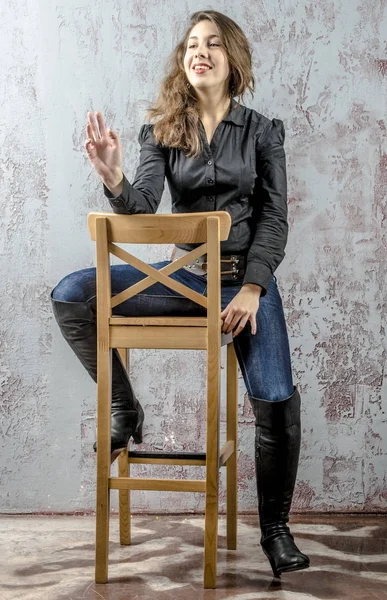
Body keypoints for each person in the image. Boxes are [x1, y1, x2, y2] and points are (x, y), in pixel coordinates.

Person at [51, 9, 310, 578]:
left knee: (275, 394)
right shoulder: (161, 130)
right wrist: (115, 177)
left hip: (245, 284)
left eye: (213, 43)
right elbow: (141, 206)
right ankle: (125, 405)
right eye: (193, 43)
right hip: (183, 281)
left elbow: (274, 221)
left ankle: (275, 531)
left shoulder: (264, 131)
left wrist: (252, 289)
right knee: (72, 292)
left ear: (232, 58)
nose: (201, 51)